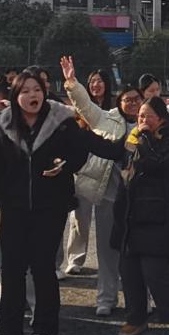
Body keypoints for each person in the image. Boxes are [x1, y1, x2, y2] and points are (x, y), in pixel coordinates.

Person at [0, 67, 117, 335]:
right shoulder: (5, 124)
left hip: (50, 205)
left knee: (42, 265)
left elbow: (81, 151)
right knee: (12, 266)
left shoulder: (61, 121)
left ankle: (45, 326)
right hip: (14, 207)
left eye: (36, 90)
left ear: (45, 92)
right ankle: (10, 328)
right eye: (25, 91)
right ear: (16, 96)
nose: (32, 95)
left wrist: (64, 165)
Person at [61, 57, 142, 316]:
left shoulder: (152, 122)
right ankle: (106, 298)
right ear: (119, 102)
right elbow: (84, 107)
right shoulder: (107, 119)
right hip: (110, 194)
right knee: (107, 249)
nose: (132, 103)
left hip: (142, 198)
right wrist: (72, 82)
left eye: (136, 99)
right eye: (127, 99)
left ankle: (143, 299)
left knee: (140, 250)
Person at [113, 97, 169, 335]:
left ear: (160, 118)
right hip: (130, 210)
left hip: (158, 211)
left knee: (155, 270)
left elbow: (157, 163)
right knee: (129, 269)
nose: (143, 120)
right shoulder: (133, 138)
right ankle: (136, 317)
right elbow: (121, 161)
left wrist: (145, 137)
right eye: (140, 116)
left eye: (148, 116)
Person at [63, 67, 115, 276]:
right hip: (84, 167)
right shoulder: (80, 108)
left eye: (100, 81)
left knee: (107, 220)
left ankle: (109, 262)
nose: (96, 85)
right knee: (79, 218)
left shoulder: (114, 108)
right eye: (93, 81)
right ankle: (75, 259)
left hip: (107, 167)